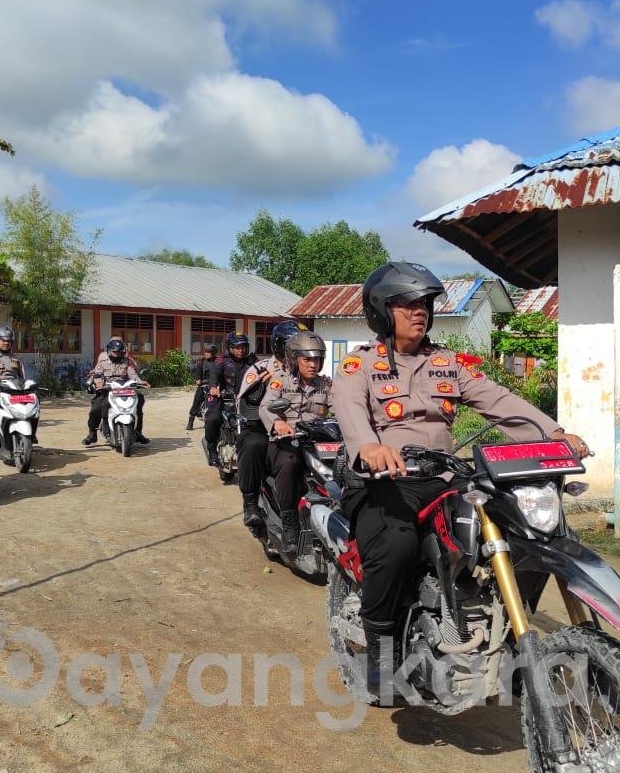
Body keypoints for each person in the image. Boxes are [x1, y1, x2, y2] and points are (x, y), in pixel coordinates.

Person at [330, 262, 590, 696]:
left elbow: (499, 401)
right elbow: (349, 408)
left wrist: (553, 432)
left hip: (444, 477)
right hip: (384, 482)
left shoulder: (447, 363)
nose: (419, 311)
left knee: (520, 529)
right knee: (396, 546)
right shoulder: (360, 365)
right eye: (406, 303)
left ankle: (508, 629)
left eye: (424, 303)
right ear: (381, 310)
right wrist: (369, 447)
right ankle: (381, 646)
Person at [258, 331, 332, 558]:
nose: (313, 364)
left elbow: (342, 408)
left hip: (316, 444)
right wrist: (278, 422)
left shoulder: (325, 385)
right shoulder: (280, 381)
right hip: (285, 443)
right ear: (294, 359)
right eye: (307, 359)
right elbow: (265, 406)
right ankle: (290, 524)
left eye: (317, 359)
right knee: (290, 464)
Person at [234, 320, 306, 533]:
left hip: (299, 429)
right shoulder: (260, 369)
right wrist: (259, 390)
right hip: (262, 428)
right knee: (254, 444)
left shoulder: (304, 369)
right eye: (294, 345)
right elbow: (242, 407)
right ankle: (250, 504)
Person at [83, 338, 150, 446]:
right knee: (96, 408)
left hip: (124, 389)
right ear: (109, 350)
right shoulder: (103, 360)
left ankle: (138, 432)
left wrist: (140, 382)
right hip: (107, 390)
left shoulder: (126, 361)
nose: (116, 354)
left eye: (119, 352)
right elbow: (97, 374)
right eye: (114, 352)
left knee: (139, 399)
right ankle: (93, 434)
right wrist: (99, 384)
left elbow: (132, 374)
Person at [203, 332, 255, 467]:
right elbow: (214, 374)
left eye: (243, 347)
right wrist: (213, 387)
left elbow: (262, 372)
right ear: (230, 348)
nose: (241, 350)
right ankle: (212, 448)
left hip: (246, 400)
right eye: (237, 347)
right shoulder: (222, 361)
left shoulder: (251, 362)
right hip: (226, 398)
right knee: (213, 418)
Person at [186, 345, 220, 431]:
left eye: (208, 352)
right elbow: (198, 373)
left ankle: (209, 422)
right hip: (203, 385)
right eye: (205, 351)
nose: (206, 353)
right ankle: (190, 422)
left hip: (214, 386)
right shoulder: (201, 361)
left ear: (213, 353)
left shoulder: (218, 361)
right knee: (197, 402)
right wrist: (198, 379)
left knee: (213, 405)